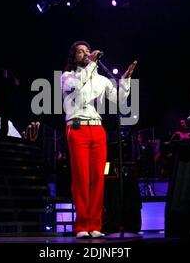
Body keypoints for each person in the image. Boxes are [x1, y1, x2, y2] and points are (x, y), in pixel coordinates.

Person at [61, 40, 137, 238]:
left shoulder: (101, 79)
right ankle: (81, 226)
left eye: (87, 51)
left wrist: (125, 80)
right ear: (74, 56)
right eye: (80, 52)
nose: (86, 54)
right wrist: (93, 63)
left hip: (97, 129)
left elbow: (119, 100)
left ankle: (95, 224)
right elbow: (79, 91)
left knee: (97, 179)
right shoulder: (68, 76)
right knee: (81, 179)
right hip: (77, 129)